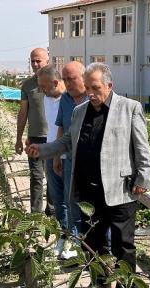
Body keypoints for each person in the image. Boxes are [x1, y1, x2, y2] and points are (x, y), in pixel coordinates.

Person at [26, 63, 150, 288]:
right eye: (89, 88)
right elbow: (67, 141)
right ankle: (100, 279)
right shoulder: (80, 111)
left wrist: (143, 178)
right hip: (88, 191)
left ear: (109, 86)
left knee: (122, 246)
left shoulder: (129, 108)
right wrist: (44, 151)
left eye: (96, 88)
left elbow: (143, 149)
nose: (92, 93)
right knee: (91, 242)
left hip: (120, 191)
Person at [36, 64, 76, 259]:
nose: (42, 90)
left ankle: (73, 240)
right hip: (53, 154)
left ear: (55, 82)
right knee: (58, 200)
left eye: (44, 86)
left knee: (72, 200)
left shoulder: (70, 100)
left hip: (68, 155)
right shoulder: (46, 98)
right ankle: (63, 237)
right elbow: (53, 130)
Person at [15, 48, 52, 215]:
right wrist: (18, 138)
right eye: (32, 61)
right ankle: (36, 216)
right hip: (34, 138)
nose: (35, 64)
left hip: (53, 138)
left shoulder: (56, 83)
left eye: (39, 61)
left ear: (47, 61)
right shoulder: (27, 85)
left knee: (53, 178)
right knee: (36, 177)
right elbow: (23, 113)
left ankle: (52, 212)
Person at [54, 61, 88, 244]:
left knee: (89, 203)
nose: (67, 83)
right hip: (68, 159)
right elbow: (61, 127)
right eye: (65, 79)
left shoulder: (94, 98)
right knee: (70, 200)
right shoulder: (65, 99)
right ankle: (74, 240)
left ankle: (91, 242)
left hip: (90, 162)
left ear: (83, 77)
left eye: (71, 78)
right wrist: (57, 156)